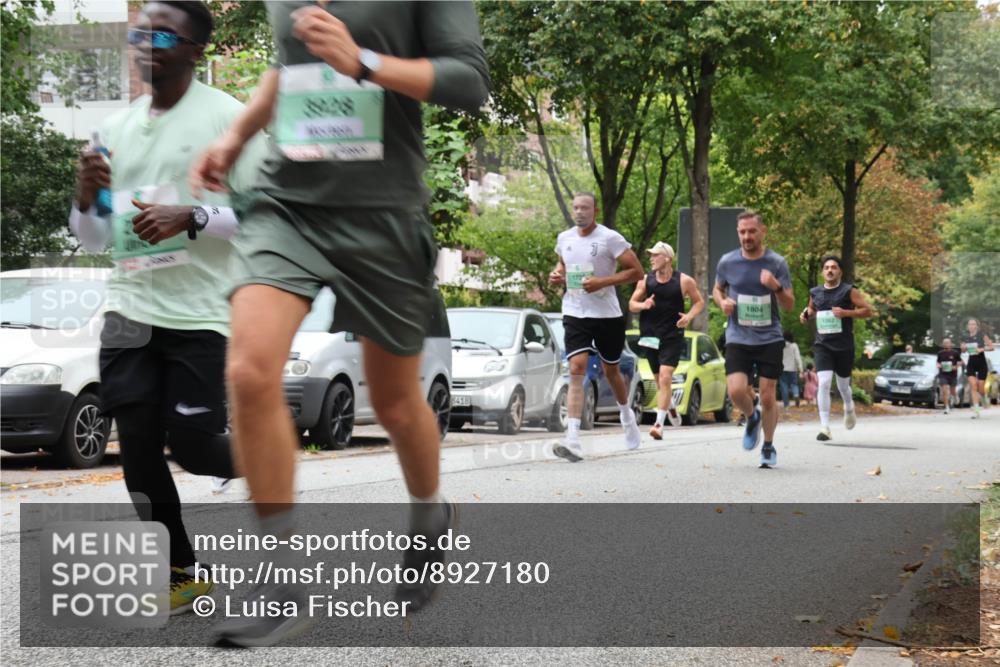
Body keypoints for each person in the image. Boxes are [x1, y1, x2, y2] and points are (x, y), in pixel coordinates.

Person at [189, 1, 489, 646]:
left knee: (395, 402)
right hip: (286, 203)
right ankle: (280, 582)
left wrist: (366, 62)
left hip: (382, 214)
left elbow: (469, 80)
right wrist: (236, 135)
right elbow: (288, 64)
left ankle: (429, 512)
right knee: (248, 370)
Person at [69, 0, 267, 615]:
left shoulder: (229, 119)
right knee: (138, 450)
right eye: (140, 32)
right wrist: (86, 198)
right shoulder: (114, 129)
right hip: (130, 307)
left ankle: (267, 452)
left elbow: (268, 216)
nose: (146, 42)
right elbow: (94, 238)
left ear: (195, 49)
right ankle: (184, 571)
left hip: (200, 314)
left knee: (195, 447)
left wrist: (194, 216)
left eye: (163, 34)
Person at [548, 193, 645, 462]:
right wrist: (557, 275)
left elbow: (636, 272)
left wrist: (602, 282)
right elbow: (562, 266)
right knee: (577, 368)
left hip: (606, 315)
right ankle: (574, 439)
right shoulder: (564, 238)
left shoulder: (609, 238)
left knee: (610, 370)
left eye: (585, 208)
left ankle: (627, 417)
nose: (579, 212)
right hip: (575, 311)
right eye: (576, 208)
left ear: (595, 210)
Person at [712, 210, 795, 468]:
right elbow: (717, 288)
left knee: (769, 396)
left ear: (762, 231)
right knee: (736, 391)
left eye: (751, 231)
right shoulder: (727, 262)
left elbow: (790, 304)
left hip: (769, 336)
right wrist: (722, 301)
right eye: (742, 232)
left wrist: (776, 286)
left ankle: (768, 446)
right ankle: (751, 416)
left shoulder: (777, 263)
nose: (747, 236)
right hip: (738, 335)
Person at [628, 241, 704, 440]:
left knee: (665, 377)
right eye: (651, 255)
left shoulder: (684, 281)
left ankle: (659, 425)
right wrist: (643, 305)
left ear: (668, 258)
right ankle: (669, 406)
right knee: (659, 380)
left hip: (672, 335)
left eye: (655, 255)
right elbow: (631, 305)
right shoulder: (645, 280)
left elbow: (699, 302)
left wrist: (688, 317)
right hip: (650, 335)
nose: (651, 258)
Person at [799, 255, 873, 441]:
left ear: (840, 271)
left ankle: (849, 406)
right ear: (823, 271)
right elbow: (812, 309)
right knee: (823, 382)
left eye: (833, 267)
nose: (830, 270)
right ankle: (825, 427)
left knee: (843, 386)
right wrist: (805, 314)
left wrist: (846, 312)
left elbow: (867, 310)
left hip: (843, 345)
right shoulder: (815, 292)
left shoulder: (849, 291)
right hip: (823, 344)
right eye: (826, 267)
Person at [960, 317, 995, 419]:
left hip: (981, 363)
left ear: (977, 326)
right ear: (968, 326)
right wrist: (963, 348)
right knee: (973, 385)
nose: (971, 326)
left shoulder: (982, 335)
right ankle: (976, 410)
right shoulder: (965, 337)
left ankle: (984, 397)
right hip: (971, 363)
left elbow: (991, 347)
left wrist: (981, 349)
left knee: (980, 387)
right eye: (969, 324)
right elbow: (962, 350)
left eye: (973, 324)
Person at [936, 337, 963, 415]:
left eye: (947, 343)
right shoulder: (940, 353)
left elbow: (961, 362)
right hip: (943, 374)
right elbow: (937, 362)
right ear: (943, 345)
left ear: (951, 344)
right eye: (944, 343)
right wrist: (939, 365)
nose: (946, 344)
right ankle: (946, 407)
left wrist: (956, 366)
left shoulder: (955, 353)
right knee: (945, 390)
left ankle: (955, 396)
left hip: (952, 374)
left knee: (952, 391)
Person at [780, 330, 803, 409]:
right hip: (792, 369)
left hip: (782, 369)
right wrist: (801, 369)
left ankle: (786, 405)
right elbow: (797, 358)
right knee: (794, 384)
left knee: (784, 386)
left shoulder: (780, 346)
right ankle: (796, 394)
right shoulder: (794, 345)